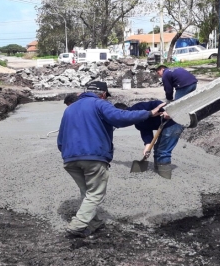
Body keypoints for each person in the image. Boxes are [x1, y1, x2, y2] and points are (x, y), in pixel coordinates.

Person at [57, 81, 165, 238]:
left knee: (86, 191)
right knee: (95, 193)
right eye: (105, 96)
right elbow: (120, 117)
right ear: (102, 94)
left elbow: (60, 139)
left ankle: (94, 223)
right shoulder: (99, 103)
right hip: (93, 157)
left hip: (69, 159)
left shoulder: (70, 109)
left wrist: (68, 153)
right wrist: (148, 114)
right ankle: (77, 225)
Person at [124, 100, 183, 179]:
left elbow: (155, 103)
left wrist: (164, 110)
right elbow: (145, 130)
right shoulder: (136, 122)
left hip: (174, 122)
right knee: (157, 148)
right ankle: (158, 170)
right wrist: (148, 144)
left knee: (163, 151)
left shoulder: (138, 108)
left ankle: (165, 175)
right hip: (164, 126)